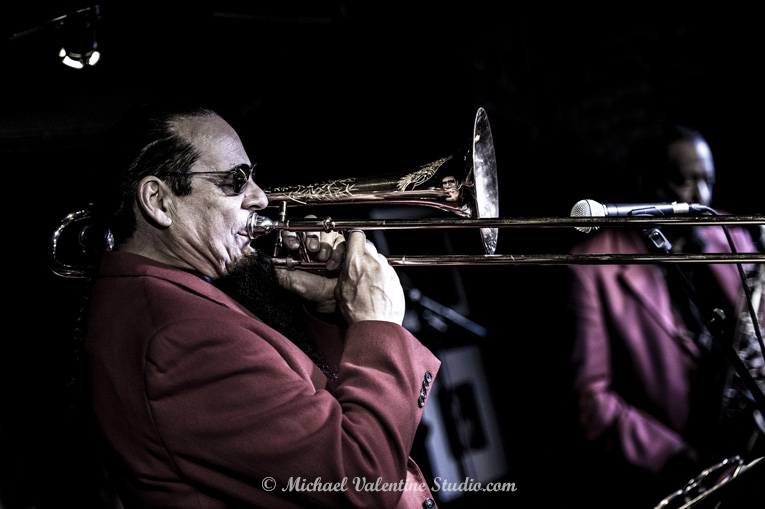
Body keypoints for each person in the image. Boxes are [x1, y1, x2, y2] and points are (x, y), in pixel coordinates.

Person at [74, 102, 441, 508]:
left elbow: (310, 410)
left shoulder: (175, 298)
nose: (262, 198)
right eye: (236, 180)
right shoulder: (179, 338)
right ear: (159, 201)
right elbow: (361, 481)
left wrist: (330, 315)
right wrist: (378, 327)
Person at [564, 123, 764, 508]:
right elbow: (591, 399)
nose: (700, 196)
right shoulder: (590, 264)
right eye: (682, 181)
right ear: (646, 181)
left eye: (707, 180)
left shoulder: (732, 232)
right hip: (678, 472)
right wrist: (677, 456)